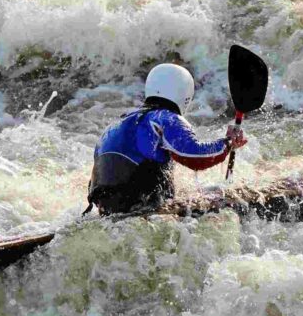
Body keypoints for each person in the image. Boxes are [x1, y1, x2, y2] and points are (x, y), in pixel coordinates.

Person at [86, 63, 248, 215]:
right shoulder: (164, 118)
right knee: (224, 197)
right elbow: (195, 156)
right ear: (184, 93)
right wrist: (228, 142)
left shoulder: (115, 126)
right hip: (139, 206)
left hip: (106, 209)